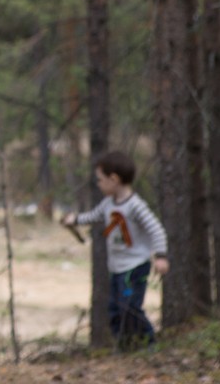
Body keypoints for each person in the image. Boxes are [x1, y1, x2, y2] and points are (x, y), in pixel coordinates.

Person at [61, 150, 170, 349]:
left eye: (100, 180)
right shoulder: (108, 204)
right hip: (117, 268)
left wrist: (161, 256)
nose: (98, 184)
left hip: (136, 266)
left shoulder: (136, 206)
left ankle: (149, 343)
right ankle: (125, 345)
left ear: (114, 179)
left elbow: (157, 230)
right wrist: (74, 220)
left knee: (131, 307)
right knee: (114, 309)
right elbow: (93, 216)